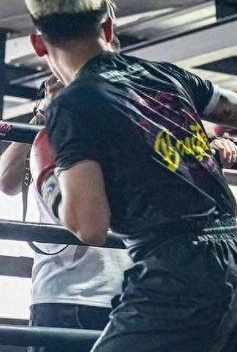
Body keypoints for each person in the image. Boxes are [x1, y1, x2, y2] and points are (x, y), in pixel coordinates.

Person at [23, 0, 237, 352]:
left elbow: (89, 226)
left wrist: (49, 182)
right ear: (108, 29)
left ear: (38, 43)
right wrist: (195, 137)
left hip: (178, 273)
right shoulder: (168, 75)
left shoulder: (71, 104)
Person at [0, 76, 133, 352]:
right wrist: (43, 113)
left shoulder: (128, 135)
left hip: (126, 294)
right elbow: (6, 181)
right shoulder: (50, 139)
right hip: (63, 294)